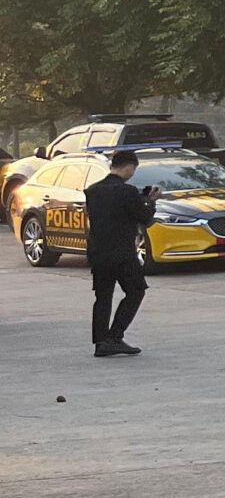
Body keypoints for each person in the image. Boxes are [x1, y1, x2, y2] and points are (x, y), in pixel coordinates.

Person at [84, 148, 155, 356]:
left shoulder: (92, 190)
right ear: (129, 167)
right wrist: (150, 202)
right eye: (133, 169)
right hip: (122, 253)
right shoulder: (127, 191)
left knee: (103, 297)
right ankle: (115, 336)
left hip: (98, 252)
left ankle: (101, 342)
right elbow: (144, 217)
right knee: (136, 291)